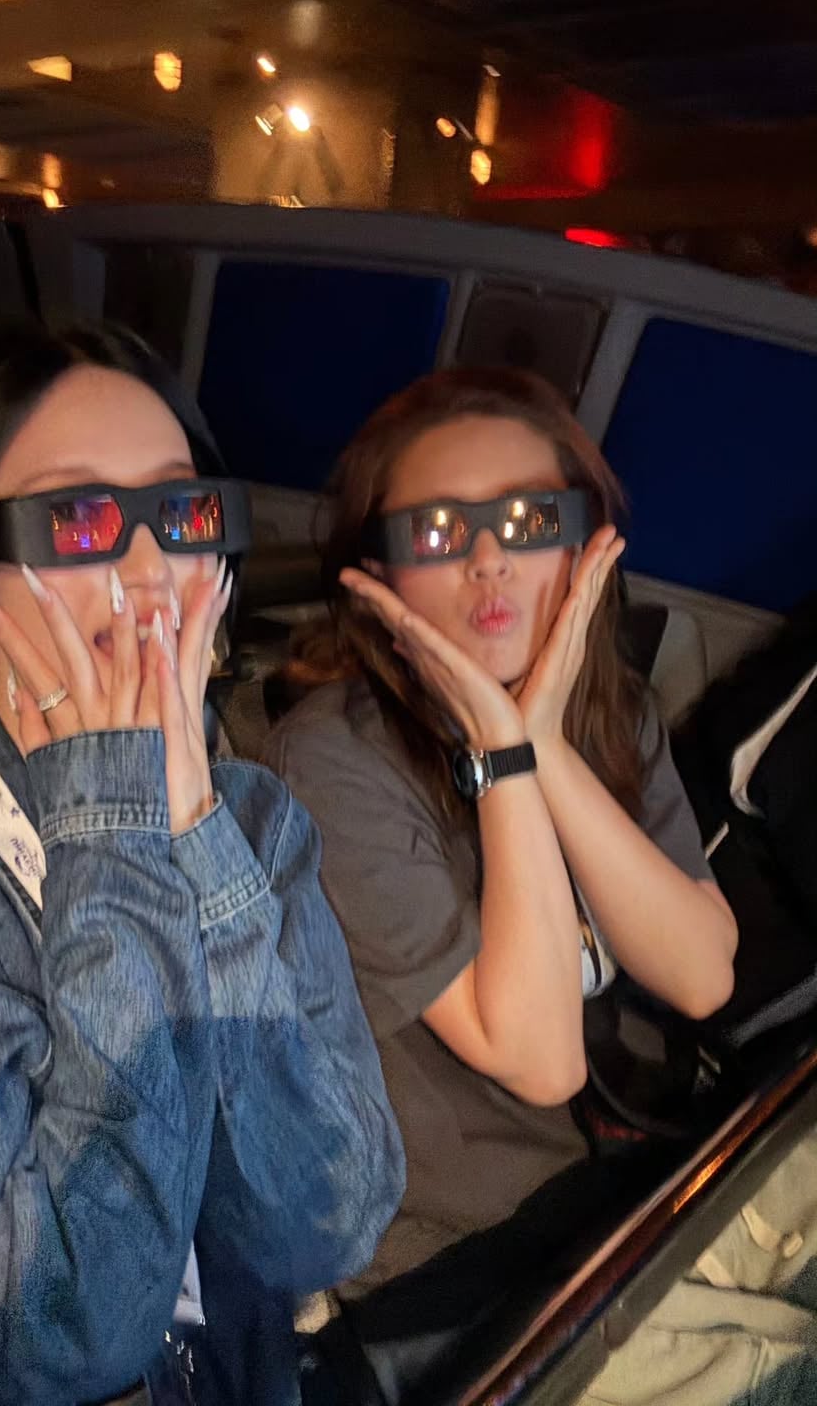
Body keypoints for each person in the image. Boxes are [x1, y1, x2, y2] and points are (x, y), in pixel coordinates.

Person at [0, 318, 404, 1406]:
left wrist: (191, 829)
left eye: (182, 515)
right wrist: (111, 825)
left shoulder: (254, 824)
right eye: (81, 519)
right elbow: (65, 1332)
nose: (151, 571)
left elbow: (325, 1227)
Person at [265, 367, 737, 1294]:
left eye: (528, 521)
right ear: (379, 573)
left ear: (580, 543)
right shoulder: (326, 762)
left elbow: (700, 975)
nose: (489, 560)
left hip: (635, 1174)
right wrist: (505, 754)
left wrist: (543, 742)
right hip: (472, 1243)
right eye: (438, 533)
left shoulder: (608, 709)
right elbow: (540, 1061)